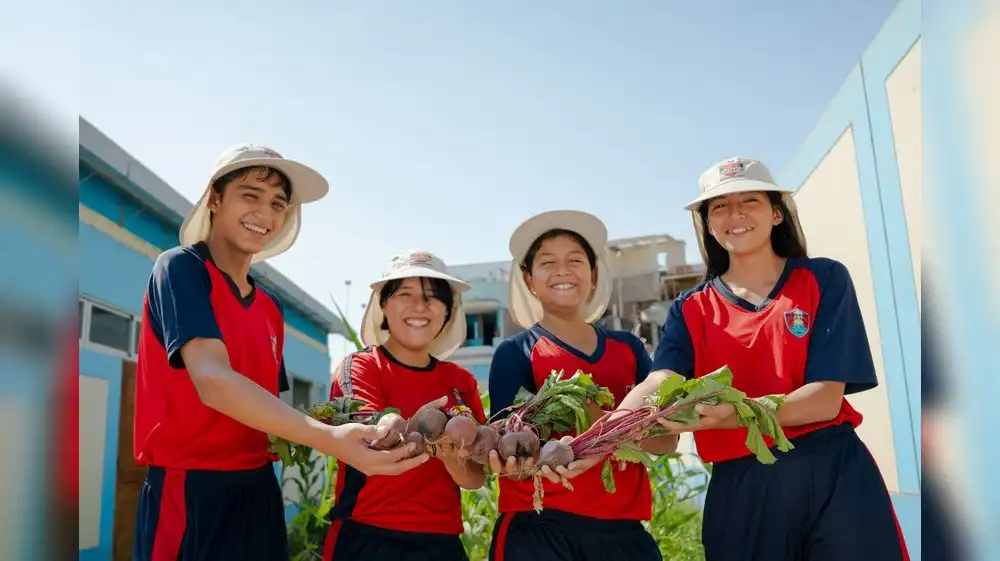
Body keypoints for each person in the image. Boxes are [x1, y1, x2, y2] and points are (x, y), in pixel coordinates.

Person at [131, 144, 429, 561]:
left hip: (259, 491)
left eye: (277, 203)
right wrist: (330, 439)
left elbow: (269, 408)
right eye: (250, 195)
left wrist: (356, 426)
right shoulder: (181, 268)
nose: (265, 213)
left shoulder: (270, 307)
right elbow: (214, 381)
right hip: (191, 491)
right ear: (214, 198)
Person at [614, 157, 911, 561]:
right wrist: (597, 437)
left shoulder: (824, 279)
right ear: (708, 224)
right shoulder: (690, 308)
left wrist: (734, 415)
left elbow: (825, 399)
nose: (735, 214)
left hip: (832, 473)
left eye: (749, 201)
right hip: (742, 486)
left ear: (776, 213)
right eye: (720, 206)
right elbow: (658, 380)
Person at [487, 210, 676, 561]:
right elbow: (507, 448)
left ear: (593, 273)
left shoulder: (629, 348)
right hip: (539, 528)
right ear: (528, 279)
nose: (562, 270)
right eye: (548, 262)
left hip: (623, 530)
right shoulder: (516, 352)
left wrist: (602, 422)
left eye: (575, 260)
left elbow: (666, 440)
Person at [322, 250, 488, 561]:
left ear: (447, 311)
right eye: (405, 293)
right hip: (367, 537)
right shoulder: (361, 367)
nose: (419, 306)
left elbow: (475, 478)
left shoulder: (460, 381)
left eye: (432, 296)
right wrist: (420, 425)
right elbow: (368, 438)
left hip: (442, 544)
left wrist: (450, 456)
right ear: (384, 304)